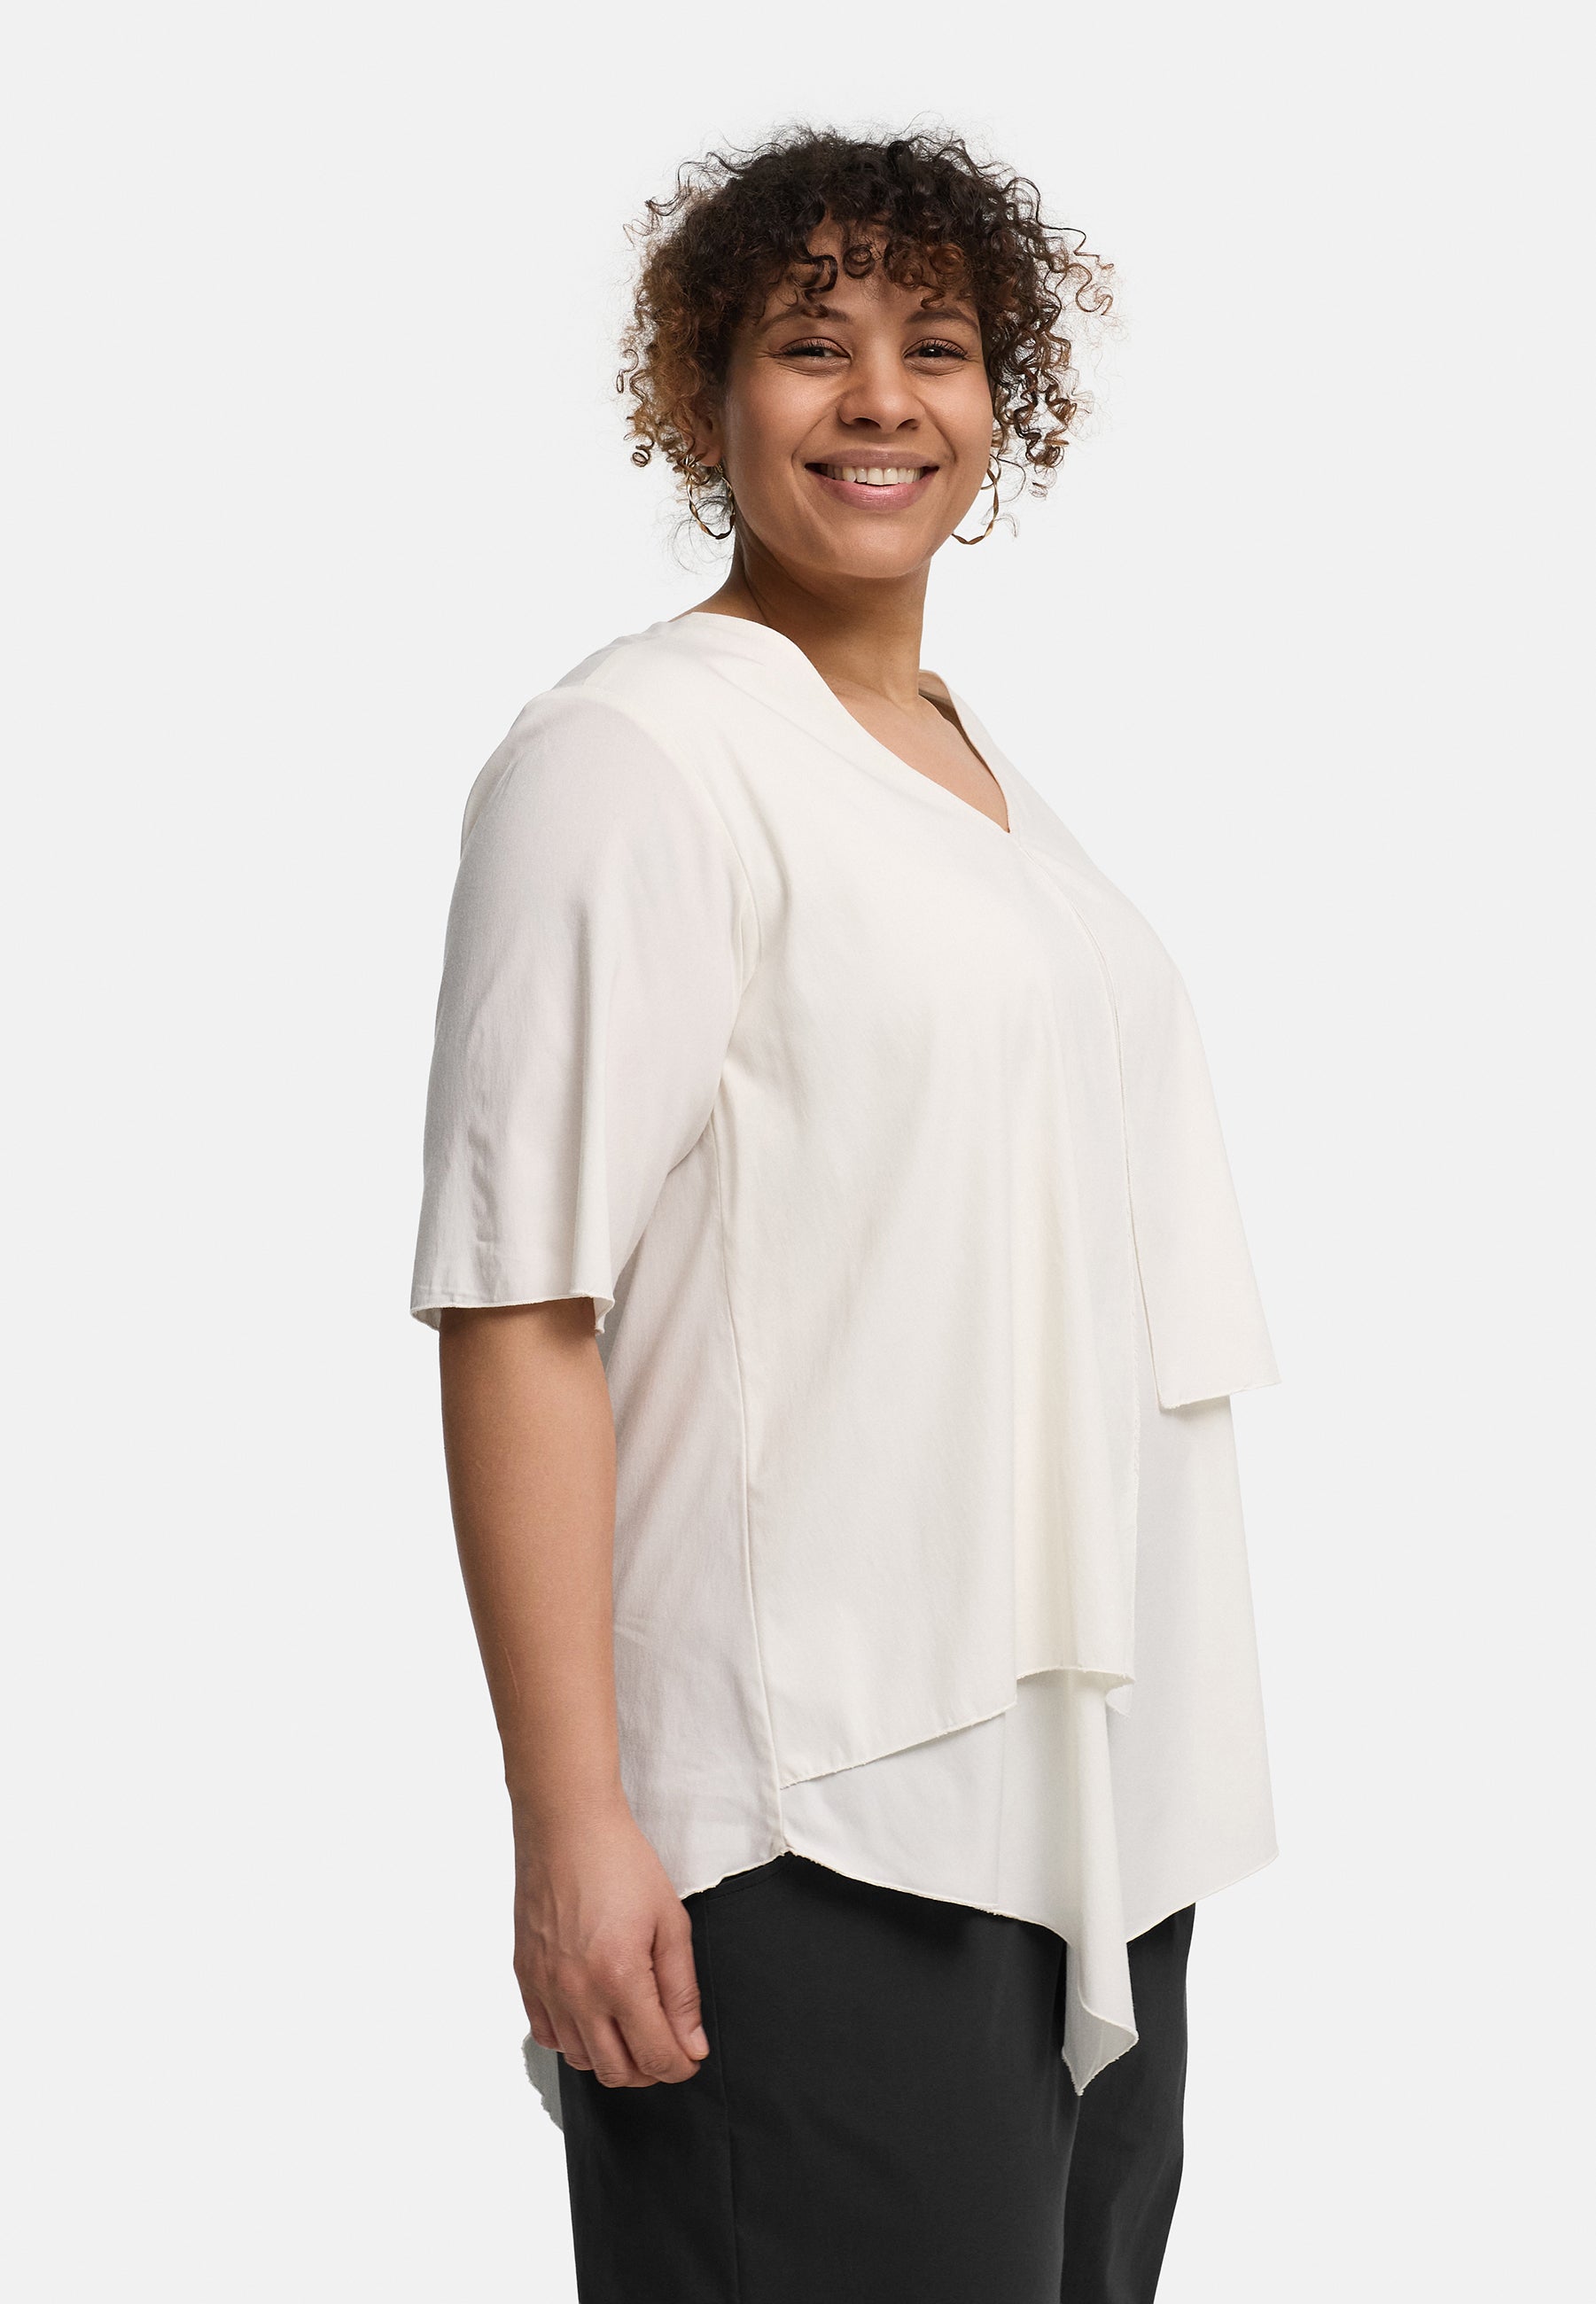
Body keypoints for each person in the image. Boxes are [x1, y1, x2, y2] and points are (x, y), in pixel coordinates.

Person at [410, 125, 1281, 2304]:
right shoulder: (636, 754)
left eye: (937, 346)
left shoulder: (977, 773)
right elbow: (519, 1301)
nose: (881, 398)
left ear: (1005, 398)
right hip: (806, 1819)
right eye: (810, 345)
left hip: (1076, 1814)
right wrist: (573, 1822)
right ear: (699, 393)